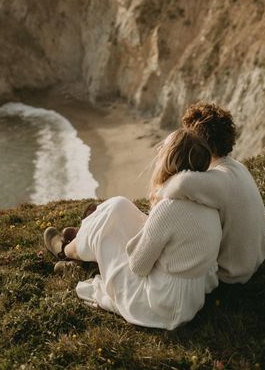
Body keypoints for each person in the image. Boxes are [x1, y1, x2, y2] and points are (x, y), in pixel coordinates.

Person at [44, 128, 222, 330]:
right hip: (189, 296)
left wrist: (130, 242)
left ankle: (66, 250)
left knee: (108, 226)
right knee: (119, 206)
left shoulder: (170, 208)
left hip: (160, 303)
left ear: (169, 161)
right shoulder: (209, 202)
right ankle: (83, 242)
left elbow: (139, 266)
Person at [158, 101, 265, 284]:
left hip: (230, 275)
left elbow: (174, 187)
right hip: (256, 260)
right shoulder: (236, 167)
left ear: (199, 143)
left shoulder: (217, 179)